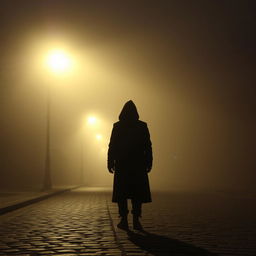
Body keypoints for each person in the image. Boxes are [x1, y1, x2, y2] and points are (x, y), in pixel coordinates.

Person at [107, 100, 153, 230]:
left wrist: (110, 162)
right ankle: (136, 220)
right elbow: (148, 146)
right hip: (138, 165)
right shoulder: (142, 126)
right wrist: (149, 161)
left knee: (122, 193)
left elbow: (112, 146)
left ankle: (124, 219)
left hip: (122, 165)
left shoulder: (118, 126)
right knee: (137, 194)